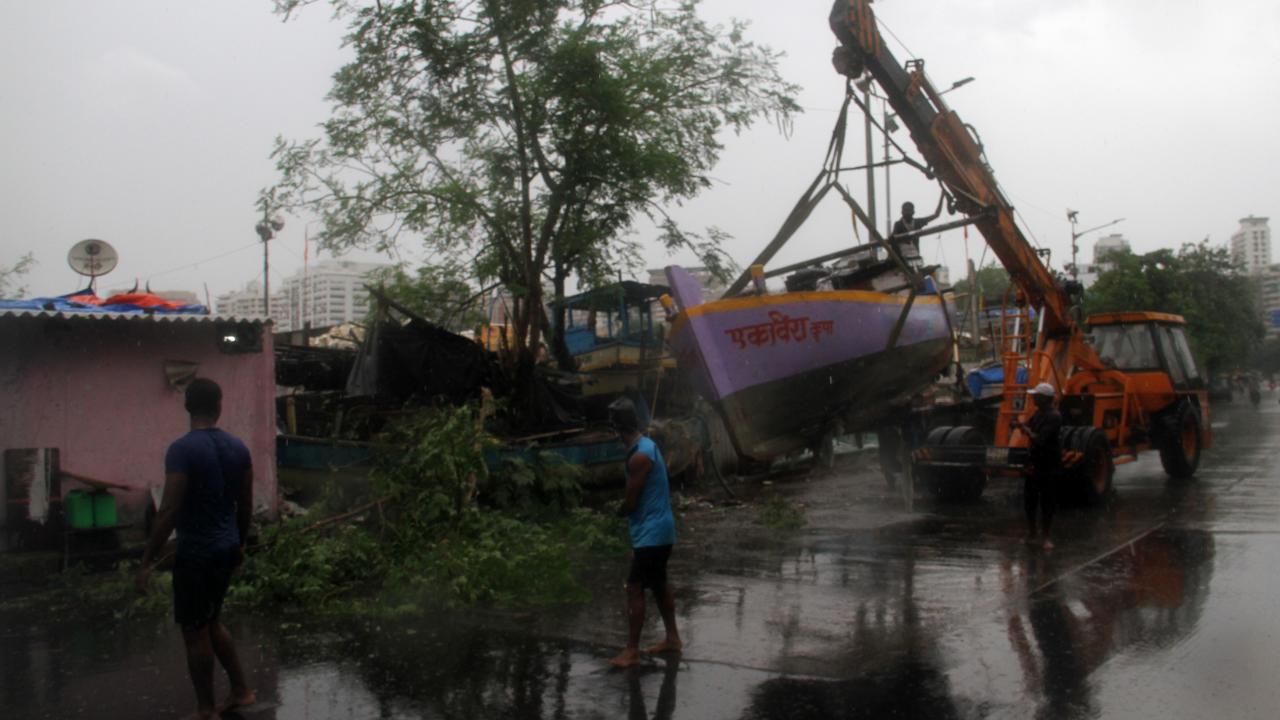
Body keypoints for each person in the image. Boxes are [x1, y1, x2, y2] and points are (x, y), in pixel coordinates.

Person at [137, 378, 256, 718]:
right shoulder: (239, 448)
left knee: (195, 631)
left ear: (187, 407)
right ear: (219, 405)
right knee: (213, 620)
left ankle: (206, 709)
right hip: (225, 547)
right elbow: (245, 505)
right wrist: (240, 544)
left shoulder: (182, 450)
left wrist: (147, 561)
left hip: (197, 554)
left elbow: (170, 509)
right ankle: (241, 691)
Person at [608, 397, 682, 668]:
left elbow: (630, 501)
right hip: (661, 531)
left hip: (651, 535)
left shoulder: (639, 456)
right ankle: (672, 638)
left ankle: (631, 651)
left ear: (618, 429)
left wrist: (616, 513)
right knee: (660, 584)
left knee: (635, 587)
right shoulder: (648, 446)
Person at [1011, 383, 1063, 551]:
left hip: (1049, 464)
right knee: (1030, 500)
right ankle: (1032, 533)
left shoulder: (1054, 416)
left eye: (1036, 395)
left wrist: (1024, 429)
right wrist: (1017, 424)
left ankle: (1046, 536)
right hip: (1035, 462)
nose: (1033, 398)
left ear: (1045, 398)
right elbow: (1028, 424)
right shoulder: (1038, 414)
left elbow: (1040, 439)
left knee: (1047, 501)